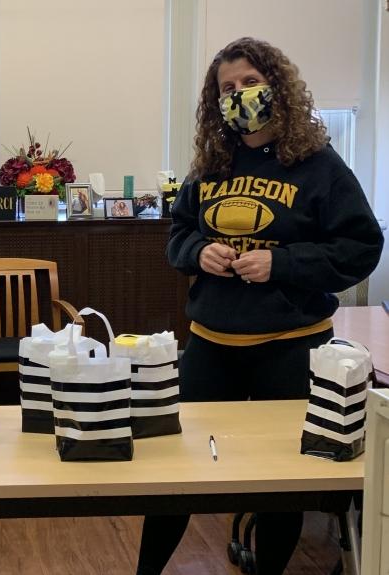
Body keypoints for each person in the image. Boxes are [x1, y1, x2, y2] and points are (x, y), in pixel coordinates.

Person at [136, 37, 383, 575]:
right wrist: (201, 252)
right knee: (174, 475)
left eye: (249, 82)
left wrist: (284, 264)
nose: (239, 95)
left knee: (281, 484)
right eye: (227, 88)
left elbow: (361, 247)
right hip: (211, 345)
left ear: (278, 87)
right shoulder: (211, 166)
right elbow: (177, 236)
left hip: (291, 347)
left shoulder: (319, 166)